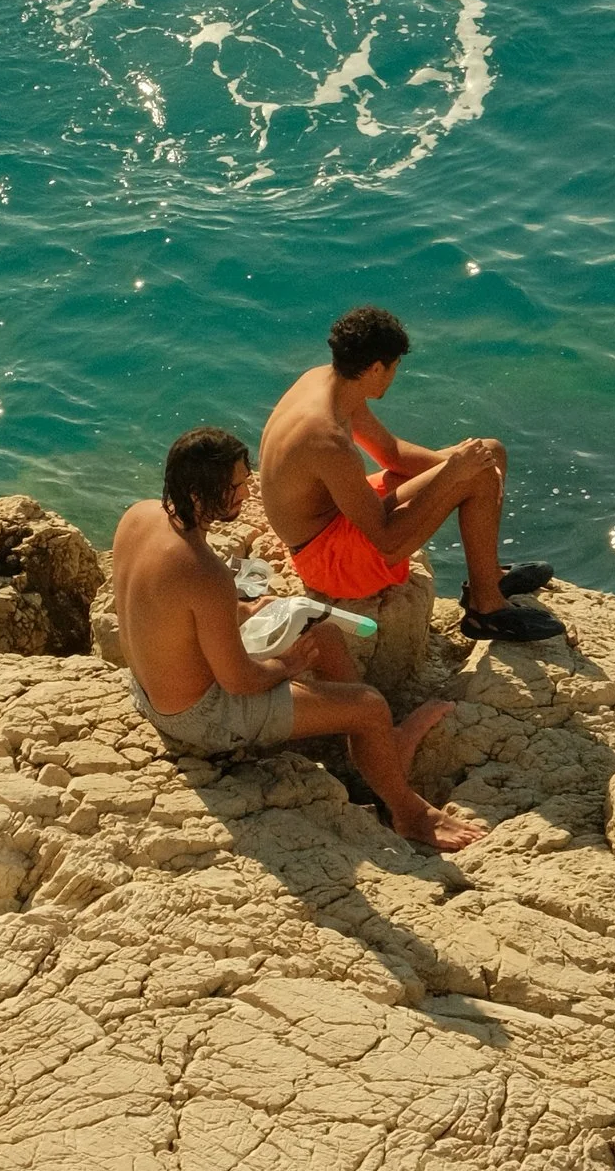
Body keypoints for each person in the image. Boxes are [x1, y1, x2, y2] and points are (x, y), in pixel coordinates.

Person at [112, 424, 484, 854]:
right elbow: (239, 682)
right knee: (369, 705)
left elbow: (171, 602)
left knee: (322, 633)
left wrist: (243, 610)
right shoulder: (203, 570)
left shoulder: (139, 516)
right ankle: (409, 814)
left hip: (147, 687)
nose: (246, 495)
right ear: (201, 492)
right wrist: (288, 666)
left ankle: (373, 751)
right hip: (199, 716)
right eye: (236, 487)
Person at [259, 304, 562, 647]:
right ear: (375, 368)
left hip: (344, 517)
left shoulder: (328, 382)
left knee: (489, 454)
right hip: (329, 560)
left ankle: (488, 577)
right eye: (394, 366)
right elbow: (386, 540)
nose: (395, 374)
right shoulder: (325, 438)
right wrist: (453, 476)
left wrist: (462, 468)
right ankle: (486, 609)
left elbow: (390, 452)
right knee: (475, 474)